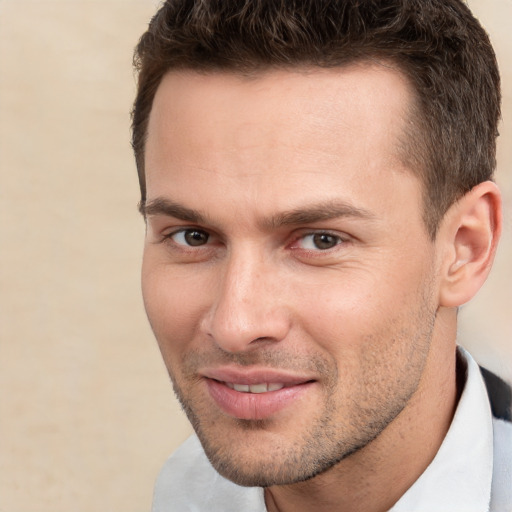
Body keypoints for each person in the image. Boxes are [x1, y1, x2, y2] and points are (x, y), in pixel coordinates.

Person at [131, 1, 512, 510]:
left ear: (466, 248)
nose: (235, 323)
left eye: (320, 240)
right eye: (193, 237)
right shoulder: (180, 495)